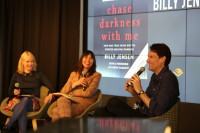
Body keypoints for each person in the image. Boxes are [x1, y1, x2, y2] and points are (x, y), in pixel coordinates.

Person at [93, 43, 179, 118]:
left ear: (162, 59)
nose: (147, 60)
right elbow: (143, 103)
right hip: (142, 113)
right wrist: (134, 92)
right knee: (99, 113)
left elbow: (157, 110)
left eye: (151, 57)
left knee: (113, 102)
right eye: (148, 57)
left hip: (150, 120)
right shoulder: (155, 76)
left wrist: (140, 90)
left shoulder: (169, 79)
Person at [2, 51, 55, 133]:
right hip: (17, 101)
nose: (30, 64)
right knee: (23, 108)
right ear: (22, 62)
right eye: (28, 61)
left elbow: (51, 88)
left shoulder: (39, 74)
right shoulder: (17, 75)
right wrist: (14, 93)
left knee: (26, 100)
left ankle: (8, 125)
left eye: (32, 61)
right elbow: (9, 92)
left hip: (33, 102)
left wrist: (50, 94)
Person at [45, 50, 102, 122]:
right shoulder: (74, 74)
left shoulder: (96, 75)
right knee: (61, 100)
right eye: (86, 57)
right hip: (70, 100)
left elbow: (88, 93)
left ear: (93, 61)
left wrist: (71, 92)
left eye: (91, 58)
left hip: (84, 102)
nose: (88, 60)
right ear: (81, 59)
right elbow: (63, 91)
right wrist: (76, 83)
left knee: (56, 111)